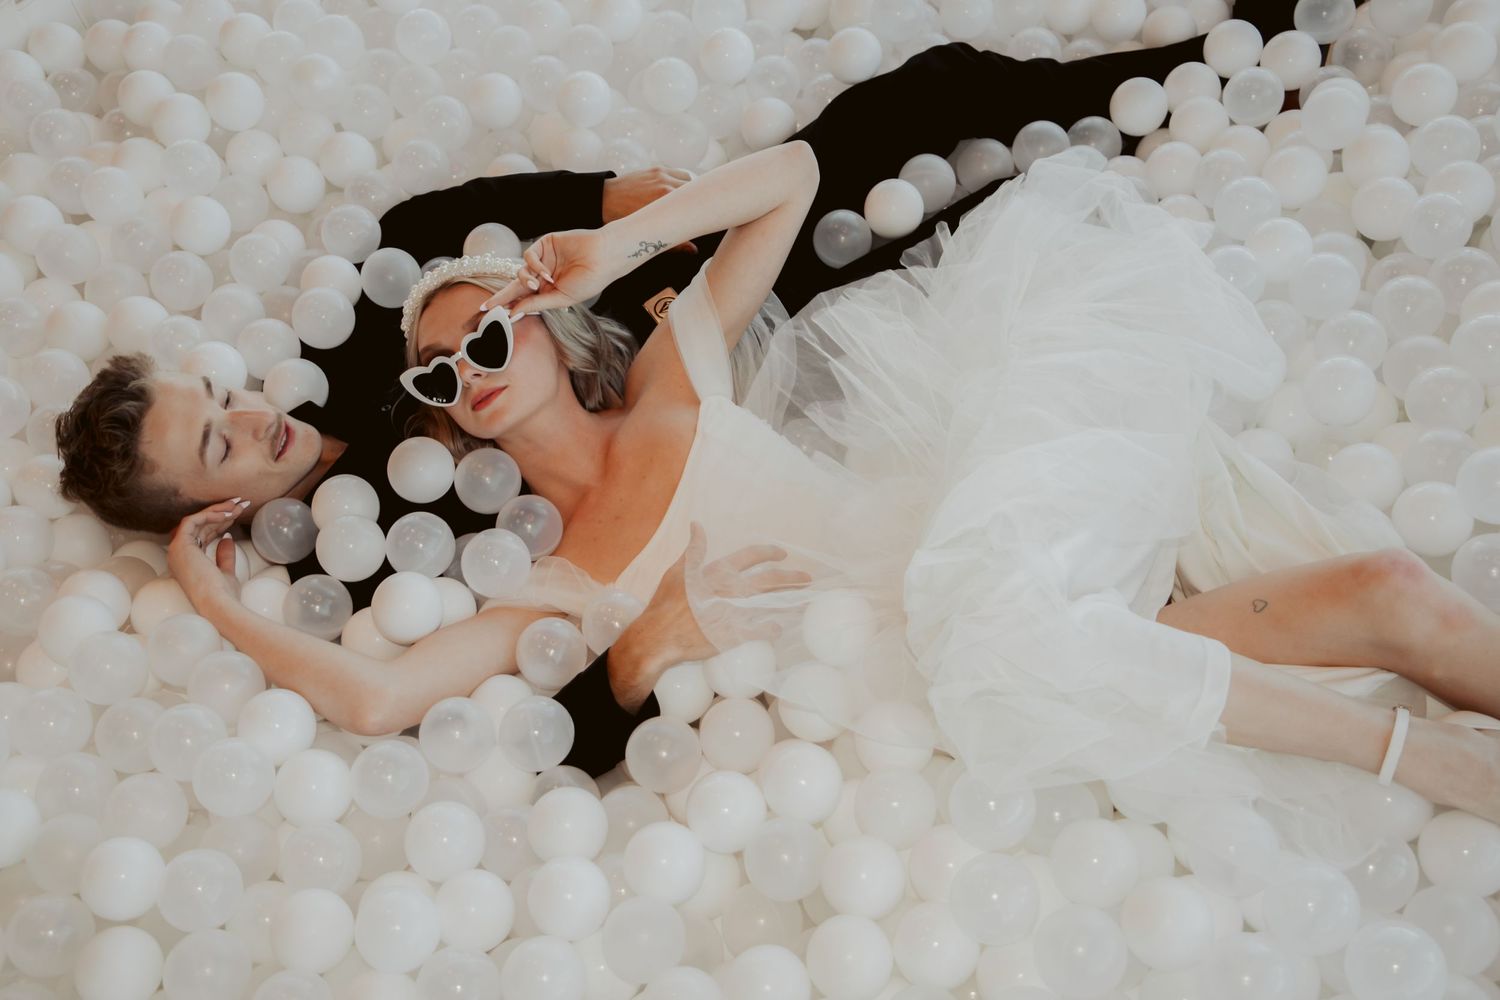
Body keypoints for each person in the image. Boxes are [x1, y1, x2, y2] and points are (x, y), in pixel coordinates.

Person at [59, 3, 1313, 775]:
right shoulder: (381, 567)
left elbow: (518, 215)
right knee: (945, 245)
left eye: (218, 393)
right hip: (697, 465)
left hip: (663, 324)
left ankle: (1202, 71)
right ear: (211, 514)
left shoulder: (366, 311)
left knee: (918, 102)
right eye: (223, 449)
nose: (254, 417)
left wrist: (627, 237)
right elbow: (540, 664)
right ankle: (1116, 174)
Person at [361, 135, 1500, 866]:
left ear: (549, 325)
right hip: (952, 700)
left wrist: (615, 243)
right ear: (441, 415)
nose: (472, 368)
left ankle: (1410, 744)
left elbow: (793, 179)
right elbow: (378, 699)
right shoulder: (553, 581)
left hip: (1002, 556)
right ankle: (1408, 754)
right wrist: (197, 583)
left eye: (489, 332)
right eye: (440, 373)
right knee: (1373, 597)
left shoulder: (671, 377)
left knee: (1396, 586)